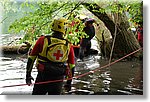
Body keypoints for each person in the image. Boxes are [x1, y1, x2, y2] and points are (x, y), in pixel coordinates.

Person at [25, 18, 75, 95]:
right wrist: (69, 82)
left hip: (42, 77)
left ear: (52, 27)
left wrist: (28, 75)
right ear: (65, 29)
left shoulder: (42, 40)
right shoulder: (68, 45)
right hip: (58, 80)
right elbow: (72, 66)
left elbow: (31, 59)